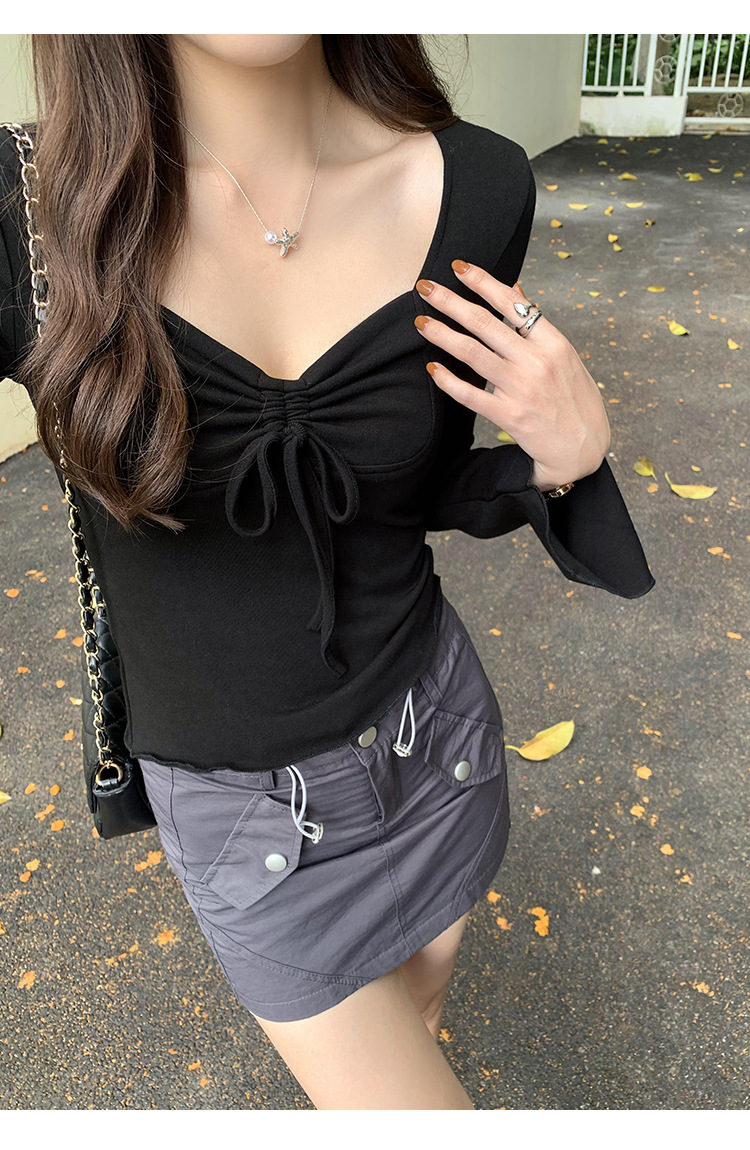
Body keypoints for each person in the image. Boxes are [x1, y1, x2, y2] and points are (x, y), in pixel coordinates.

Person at [0, 34, 655, 1110]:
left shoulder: (479, 183)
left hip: (438, 747)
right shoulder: (26, 207)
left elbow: (406, 487)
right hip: (248, 828)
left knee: (416, 1025)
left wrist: (564, 458)